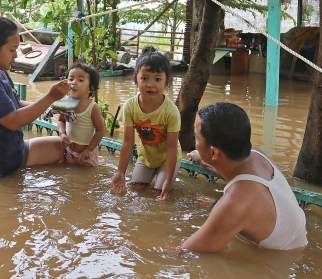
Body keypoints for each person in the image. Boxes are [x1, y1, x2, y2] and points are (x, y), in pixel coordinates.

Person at [181, 102, 307, 252]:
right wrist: (201, 157)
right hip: (298, 238)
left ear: (214, 153)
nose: (195, 143)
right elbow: (227, 168)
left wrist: (146, 249)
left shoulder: (234, 203)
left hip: (277, 259)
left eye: (196, 138)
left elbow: (187, 251)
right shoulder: (256, 154)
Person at [0, 17, 70, 177]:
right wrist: (50, 97)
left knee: (66, 148)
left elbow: (13, 104)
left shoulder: (0, 71)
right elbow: (14, 120)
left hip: (11, 152)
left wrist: (52, 107)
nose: (16, 56)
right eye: (12, 50)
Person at [110, 46, 182, 201]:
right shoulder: (129, 106)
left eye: (157, 79)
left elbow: (171, 148)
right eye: (145, 78)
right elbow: (128, 142)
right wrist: (120, 172)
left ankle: (167, 179)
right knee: (136, 189)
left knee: (160, 193)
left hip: (168, 158)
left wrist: (168, 182)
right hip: (147, 156)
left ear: (166, 82)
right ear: (135, 80)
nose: (151, 84)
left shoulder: (171, 111)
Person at [57, 62, 105, 166]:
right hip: (69, 151)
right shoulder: (65, 102)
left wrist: (89, 149)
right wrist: (62, 134)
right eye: (71, 79)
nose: (73, 82)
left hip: (87, 154)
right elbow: (61, 120)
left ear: (90, 88)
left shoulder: (92, 107)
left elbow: (101, 130)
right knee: (68, 177)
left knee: (86, 179)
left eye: (80, 80)